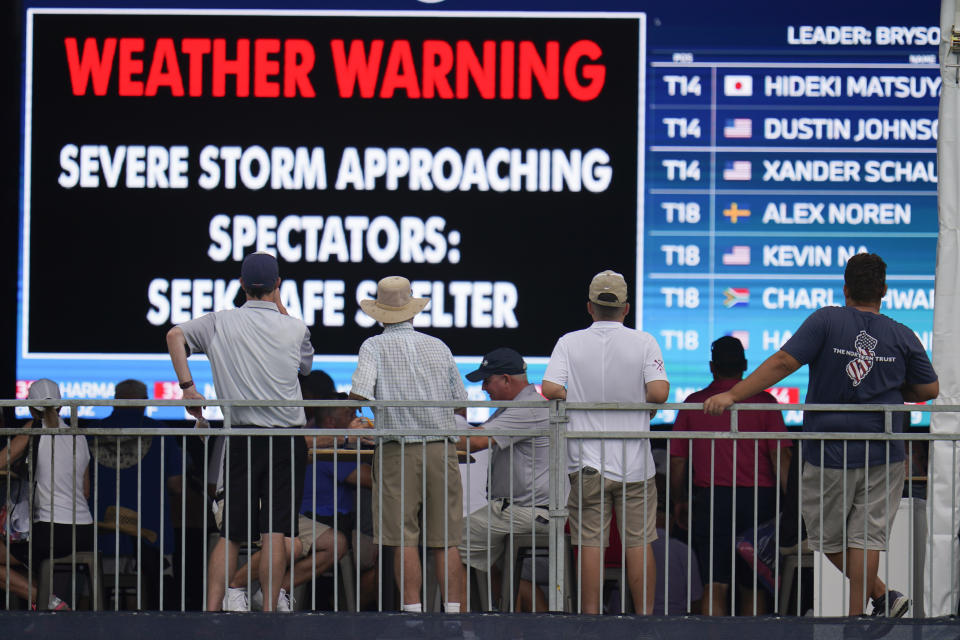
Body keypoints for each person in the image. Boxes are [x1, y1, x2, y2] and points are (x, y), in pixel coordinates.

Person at [705, 253, 939, 617]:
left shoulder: (826, 320)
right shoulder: (902, 334)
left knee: (825, 539)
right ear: (885, 291)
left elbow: (783, 362)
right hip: (885, 452)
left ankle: (866, 609)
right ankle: (870, 605)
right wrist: (892, 387)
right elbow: (929, 389)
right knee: (867, 538)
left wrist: (734, 394)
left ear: (845, 288)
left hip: (830, 452)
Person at [166, 251, 314, 612]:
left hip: (243, 438)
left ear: (242, 286)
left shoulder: (220, 322)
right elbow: (306, 367)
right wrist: (280, 304)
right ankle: (269, 612)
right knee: (276, 534)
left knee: (230, 533)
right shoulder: (296, 327)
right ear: (278, 285)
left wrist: (188, 387)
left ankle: (214, 609)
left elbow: (173, 335)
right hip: (286, 440)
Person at [542, 269, 670, 615]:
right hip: (635, 464)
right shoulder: (644, 342)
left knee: (590, 544)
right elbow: (659, 392)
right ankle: (644, 619)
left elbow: (550, 388)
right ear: (626, 308)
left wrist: (574, 397)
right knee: (639, 542)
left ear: (590, 307)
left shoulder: (569, 342)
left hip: (586, 462)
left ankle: (590, 620)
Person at [350, 276, 468, 613]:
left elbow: (360, 391)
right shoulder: (439, 346)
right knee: (446, 540)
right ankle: (454, 615)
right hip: (441, 449)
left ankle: (413, 615)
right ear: (413, 311)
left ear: (379, 314)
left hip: (397, 451)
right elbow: (460, 401)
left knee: (403, 537)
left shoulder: (373, 346)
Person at [670, 337, 791, 615]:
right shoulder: (765, 403)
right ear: (746, 366)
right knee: (755, 585)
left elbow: (677, 462)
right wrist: (790, 504)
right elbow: (781, 458)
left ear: (712, 367)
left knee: (715, 584)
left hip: (712, 502)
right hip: (760, 504)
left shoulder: (695, 403)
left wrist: (680, 500)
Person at [225, 392, 377, 610]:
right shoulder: (317, 442)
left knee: (338, 543)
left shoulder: (321, 440)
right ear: (331, 422)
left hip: (303, 520)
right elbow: (372, 479)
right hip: (302, 518)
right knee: (388, 548)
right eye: (351, 415)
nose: (357, 420)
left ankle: (275, 591)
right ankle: (347, 609)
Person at [455, 347, 552, 611]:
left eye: (487, 380)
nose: (485, 387)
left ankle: (455, 624)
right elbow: (475, 435)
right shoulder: (514, 406)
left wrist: (429, 428)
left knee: (445, 540)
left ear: (507, 379)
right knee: (491, 562)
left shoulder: (527, 409)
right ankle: (503, 619)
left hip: (530, 511)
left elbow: (473, 442)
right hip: (521, 509)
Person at [88, 379, 185, 610]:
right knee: (148, 598)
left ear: (114, 402)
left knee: (92, 595)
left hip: (99, 536)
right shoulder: (162, 432)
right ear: (144, 403)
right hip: (151, 536)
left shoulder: (90, 434)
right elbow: (176, 485)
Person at [0, 378, 93, 610]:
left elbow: (3, 459)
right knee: (28, 558)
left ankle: (48, 602)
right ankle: (46, 603)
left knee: (13, 554)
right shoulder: (78, 435)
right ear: (60, 405)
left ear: (31, 407)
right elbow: (85, 491)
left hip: (51, 531)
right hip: (83, 531)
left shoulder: (33, 430)